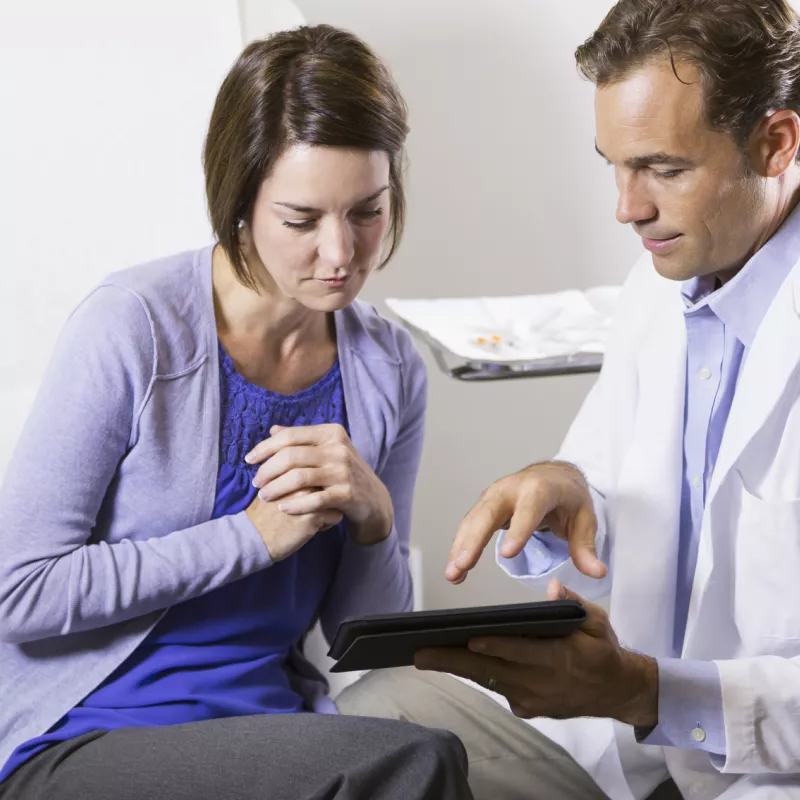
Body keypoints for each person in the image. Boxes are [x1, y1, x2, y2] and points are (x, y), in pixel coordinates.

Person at [337, 1, 800, 798]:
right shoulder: (662, 287)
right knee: (378, 720)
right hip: (642, 758)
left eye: (665, 168)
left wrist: (644, 691)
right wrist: (566, 491)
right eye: (614, 165)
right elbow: (622, 503)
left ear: (776, 141)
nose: (628, 208)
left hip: (767, 770)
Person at [0, 25, 473, 800]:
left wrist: (374, 518)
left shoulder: (389, 368)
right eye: (301, 220)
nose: (340, 252)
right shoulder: (133, 327)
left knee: (422, 742)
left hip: (273, 729)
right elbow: (19, 591)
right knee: (415, 761)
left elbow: (368, 645)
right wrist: (249, 537)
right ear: (239, 203)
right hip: (87, 732)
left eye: (368, 212)